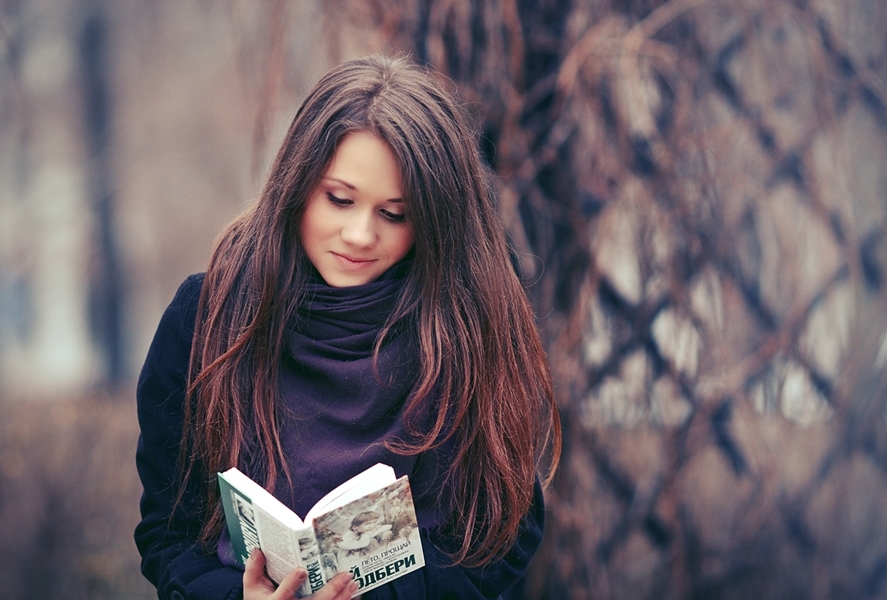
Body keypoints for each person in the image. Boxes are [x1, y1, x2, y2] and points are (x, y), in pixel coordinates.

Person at [134, 53, 561, 600]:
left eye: (394, 213)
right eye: (339, 199)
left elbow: (503, 537)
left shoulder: (464, 324)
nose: (360, 234)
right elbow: (167, 534)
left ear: (432, 219)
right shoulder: (208, 318)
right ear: (296, 185)